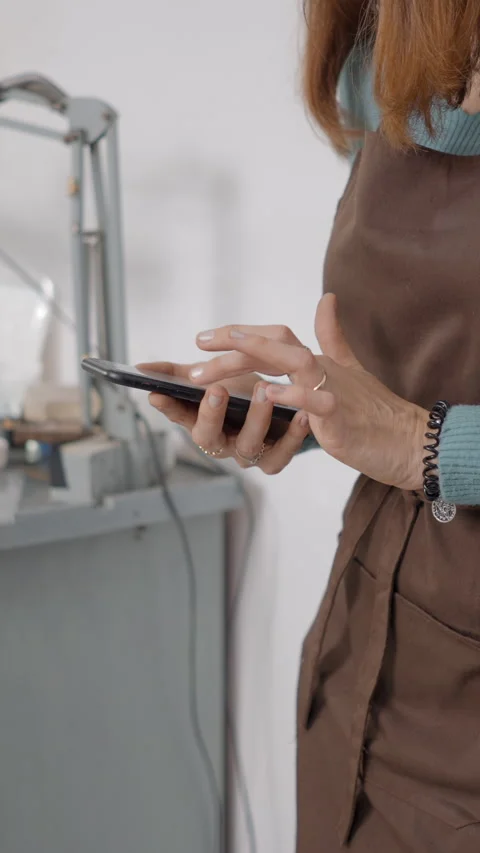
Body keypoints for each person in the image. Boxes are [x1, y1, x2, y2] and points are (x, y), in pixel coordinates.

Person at [143, 1, 480, 849]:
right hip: (360, 669)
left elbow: (419, 430)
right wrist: (319, 408)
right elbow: (411, 377)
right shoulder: (380, 66)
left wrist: (422, 442)